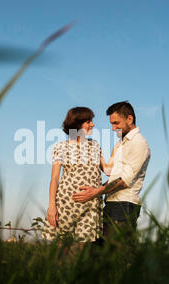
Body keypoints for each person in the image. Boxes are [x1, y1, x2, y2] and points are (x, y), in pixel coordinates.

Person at [72, 101, 150, 243]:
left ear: (129, 119)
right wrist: (96, 152)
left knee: (119, 254)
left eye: (116, 123)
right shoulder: (121, 144)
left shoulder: (138, 143)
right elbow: (111, 173)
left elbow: (123, 181)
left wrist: (95, 192)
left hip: (124, 205)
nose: (113, 128)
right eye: (112, 124)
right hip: (112, 203)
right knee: (103, 255)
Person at [41, 107, 113, 250]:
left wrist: (119, 149)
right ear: (76, 124)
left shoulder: (94, 145)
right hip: (66, 204)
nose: (92, 124)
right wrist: (52, 207)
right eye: (88, 121)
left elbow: (108, 170)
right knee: (62, 250)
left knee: (82, 252)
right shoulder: (60, 147)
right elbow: (54, 178)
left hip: (90, 204)